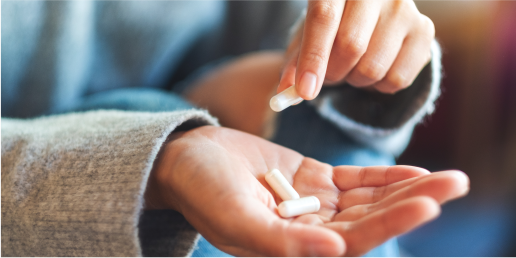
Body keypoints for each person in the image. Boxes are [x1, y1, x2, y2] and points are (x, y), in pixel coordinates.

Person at [0, 0, 468, 257]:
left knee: (332, 137)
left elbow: (264, 59)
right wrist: (157, 162)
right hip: (44, 194)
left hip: (213, 112)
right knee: (151, 117)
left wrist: (364, 56)